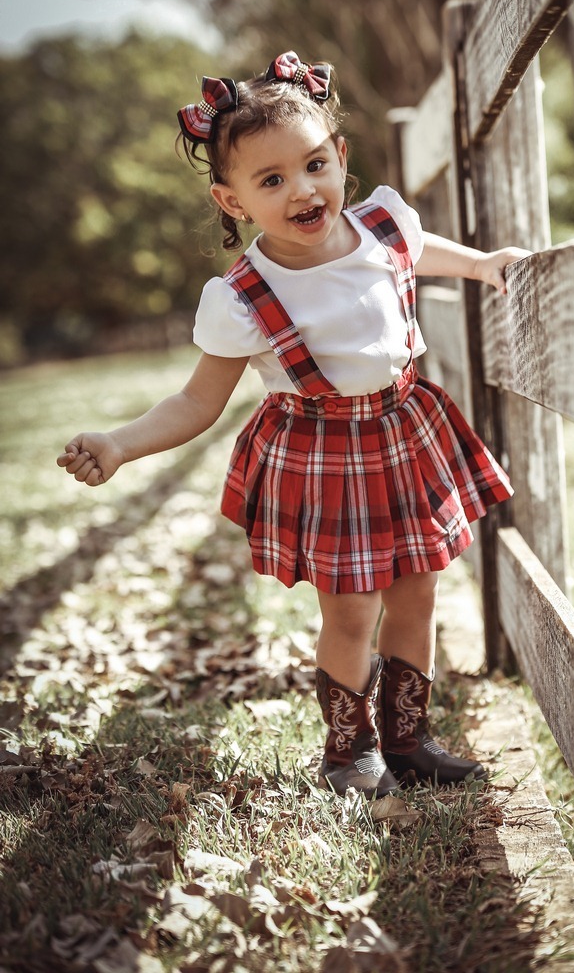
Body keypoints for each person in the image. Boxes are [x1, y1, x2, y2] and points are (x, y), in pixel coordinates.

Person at [57, 51, 531, 799]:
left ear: (339, 156)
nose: (303, 190)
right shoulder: (245, 296)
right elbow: (195, 402)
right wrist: (119, 444)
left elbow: (418, 253)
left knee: (419, 592)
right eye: (271, 181)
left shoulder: (383, 225)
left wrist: (480, 265)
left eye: (314, 165)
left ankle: (410, 739)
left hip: (406, 431)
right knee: (351, 612)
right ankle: (349, 753)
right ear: (234, 201)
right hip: (325, 454)